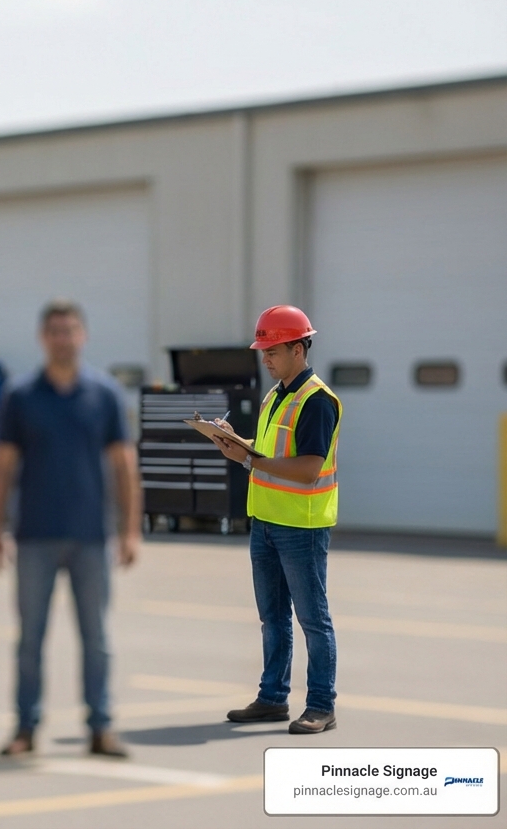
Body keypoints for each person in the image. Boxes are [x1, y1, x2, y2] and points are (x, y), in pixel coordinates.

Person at [0, 299, 141, 760]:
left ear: (83, 336)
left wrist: (131, 530)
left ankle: (100, 727)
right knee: (29, 639)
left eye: (70, 330)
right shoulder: (21, 395)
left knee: (96, 639)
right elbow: (2, 466)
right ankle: (25, 728)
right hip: (34, 535)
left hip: (92, 536)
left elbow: (124, 465)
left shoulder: (105, 393)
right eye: (54, 331)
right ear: (42, 338)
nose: (63, 339)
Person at [210, 305, 341, 735]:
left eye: (273, 351)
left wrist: (253, 460)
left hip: (301, 527)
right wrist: (237, 445)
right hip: (265, 522)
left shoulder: (316, 401)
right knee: (273, 618)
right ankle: (272, 698)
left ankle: (322, 705)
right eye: (263, 351)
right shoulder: (277, 394)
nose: (265, 359)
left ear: (299, 348)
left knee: (312, 620)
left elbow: (305, 468)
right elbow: (269, 453)